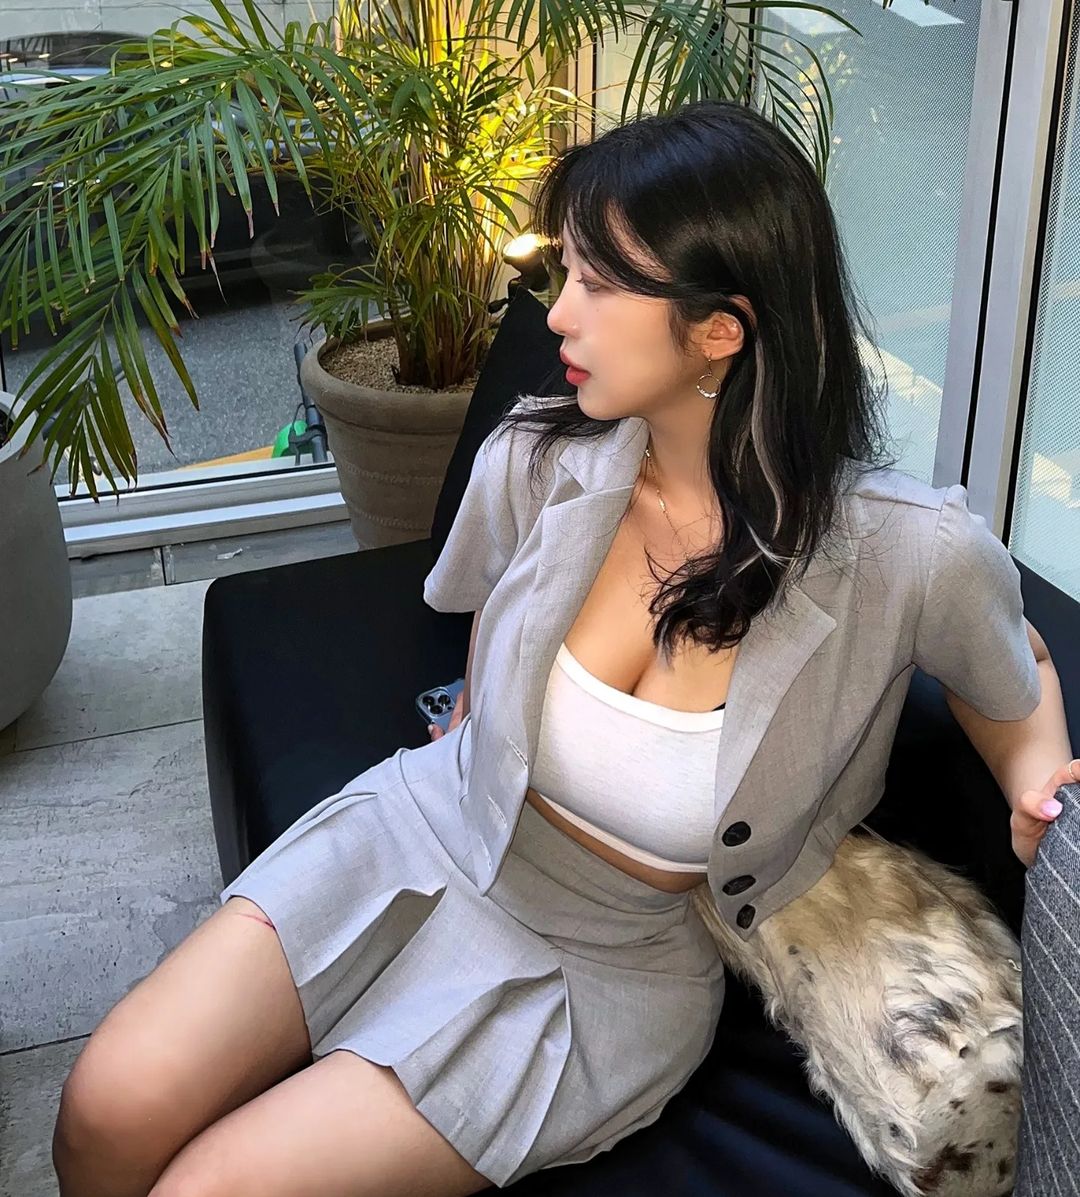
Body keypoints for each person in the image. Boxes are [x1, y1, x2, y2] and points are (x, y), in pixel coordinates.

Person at [52, 99, 1075, 1197]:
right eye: (567, 274)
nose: (559, 318)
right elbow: (484, 608)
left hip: (605, 966)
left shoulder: (906, 551)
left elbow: (1013, 669)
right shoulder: (538, 459)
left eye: (600, 284)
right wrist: (481, 718)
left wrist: (1034, 784)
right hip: (433, 826)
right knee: (105, 1109)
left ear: (720, 329)